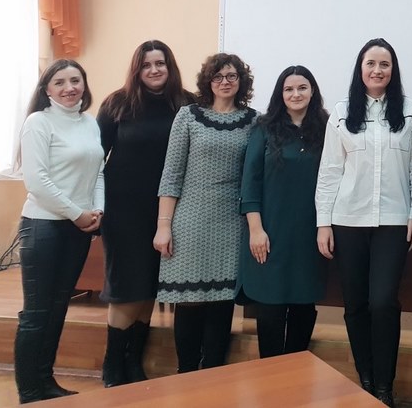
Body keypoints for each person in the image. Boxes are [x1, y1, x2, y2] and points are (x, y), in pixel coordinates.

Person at [315, 38, 412, 408]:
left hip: (393, 223)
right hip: (348, 222)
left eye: (385, 64)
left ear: (393, 70)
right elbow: (330, 171)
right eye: (371, 63)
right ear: (360, 68)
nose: (377, 70)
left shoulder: (409, 111)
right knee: (356, 304)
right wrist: (323, 223)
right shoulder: (342, 113)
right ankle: (365, 378)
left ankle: (384, 386)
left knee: (383, 302)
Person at [97, 40, 193, 387]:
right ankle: (112, 365)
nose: (154, 70)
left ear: (170, 67)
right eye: (147, 64)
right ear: (137, 69)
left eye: (160, 63)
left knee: (150, 284)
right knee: (127, 287)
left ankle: (134, 362)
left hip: (168, 211)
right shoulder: (116, 104)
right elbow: (96, 158)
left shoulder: (187, 104)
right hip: (123, 211)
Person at [153, 53, 257, 373]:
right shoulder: (188, 116)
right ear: (208, 81)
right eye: (218, 76)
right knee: (190, 301)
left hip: (232, 222)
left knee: (222, 302)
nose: (225, 82)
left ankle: (213, 374)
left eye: (232, 76)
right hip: (190, 220)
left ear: (241, 81)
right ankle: (186, 374)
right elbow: (171, 174)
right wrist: (164, 226)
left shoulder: (254, 120)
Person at [14, 59, 104, 403]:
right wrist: (77, 214)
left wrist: (97, 210)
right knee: (37, 313)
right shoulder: (38, 122)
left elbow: (98, 172)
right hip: (43, 227)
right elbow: (37, 181)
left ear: (84, 84)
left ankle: (45, 381)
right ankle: (29, 391)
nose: (69, 88)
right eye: (60, 82)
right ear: (47, 89)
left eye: (75, 80)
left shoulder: (89, 123)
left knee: (57, 309)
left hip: (76, 228)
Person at [236, 66, 329, 357]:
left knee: (303, 306)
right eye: (289, 89)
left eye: (302, 88)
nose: (295, 94)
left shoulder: (328, 129)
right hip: (269, 233)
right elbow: (250, 183)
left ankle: (296, 373)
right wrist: (256, 230)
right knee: (270, 309)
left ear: (312, 92)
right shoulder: (264, 128)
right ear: (280, 94)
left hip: (309, 235)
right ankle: (271, 376)